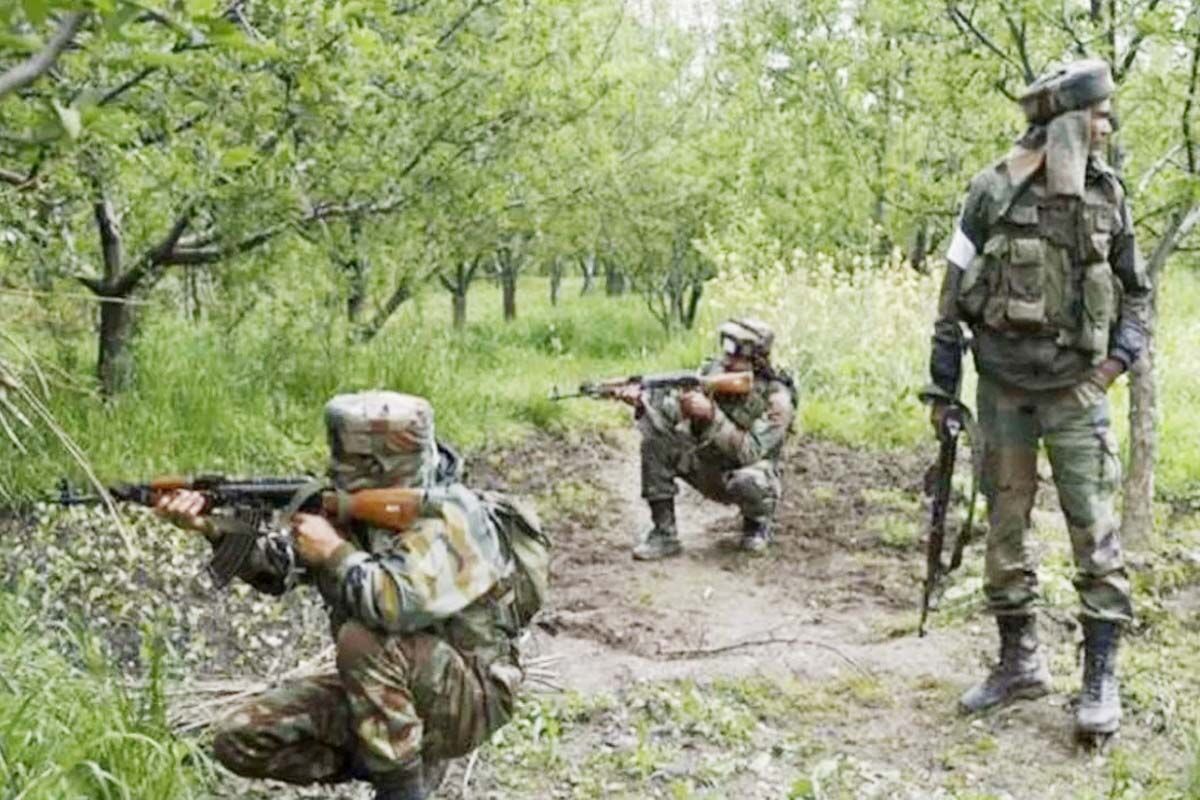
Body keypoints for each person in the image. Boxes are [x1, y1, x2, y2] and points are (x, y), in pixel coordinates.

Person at [155, 391, 548, 799]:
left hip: (468, 702)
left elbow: (392, 605)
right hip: (390, 695)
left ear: (377, 464)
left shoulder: (455, 519)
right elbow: (279, 568)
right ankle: (396, 761)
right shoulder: (353, 507)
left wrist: (334, 552)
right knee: (240, 736)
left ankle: (402, 789)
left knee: (363, 639)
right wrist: (213, 528)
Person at [921, 59, 1150, 737]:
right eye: (1099, 116)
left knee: (1094, 534)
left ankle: (1099, 679)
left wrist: (1113, 365)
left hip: (1077, 392)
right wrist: (943, 389)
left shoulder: (1108, 195)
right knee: (1005, 530)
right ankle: (1019, 663)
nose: (1107, 127)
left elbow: (1136, 292)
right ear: (1068, 122)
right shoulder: (990, 190)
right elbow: (951, 296)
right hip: (1003, 393)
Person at [617, 317, 797, 558]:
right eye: (726, 350)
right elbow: (672, 415)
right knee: (656, 441)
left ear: (756, 359)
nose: (727, 360)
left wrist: (712, 415)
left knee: (750, 479)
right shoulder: (711, 374)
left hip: (744, 475)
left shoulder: (776, 399)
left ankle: (755, 527)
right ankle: (664, 533)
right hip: (707, 465)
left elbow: (750, 452)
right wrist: (644, 403)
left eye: (736, 354)